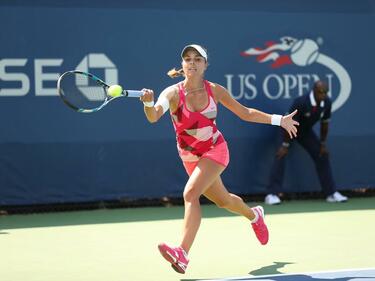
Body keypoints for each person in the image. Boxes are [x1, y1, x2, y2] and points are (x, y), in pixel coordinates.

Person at [139, 44, 299, 274]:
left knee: (190, 194)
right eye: (187, 59)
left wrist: (279, 120)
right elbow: (153, 116)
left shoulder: (215, 90)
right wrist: (147, 102)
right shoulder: (172, 93)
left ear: (205, 65)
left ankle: (182, 253)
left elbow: (246, 113)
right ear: (182, 65)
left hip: (216, 150)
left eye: (197, 59)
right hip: (190, 157)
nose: (191, 62)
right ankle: (255, 215)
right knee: (224, 201)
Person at [265, 80, 348, 205]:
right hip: (288, 128)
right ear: (314, 91)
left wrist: (323, 144)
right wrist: (285, 145)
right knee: (281, 155)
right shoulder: (301, 102)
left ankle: (331, 193)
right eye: (321, 92)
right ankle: (272, 194)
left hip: (305, 132)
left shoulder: (327, 102)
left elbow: (325, 124)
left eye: (325, 92)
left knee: (322, 155)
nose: (323, 95)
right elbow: (289, 123)